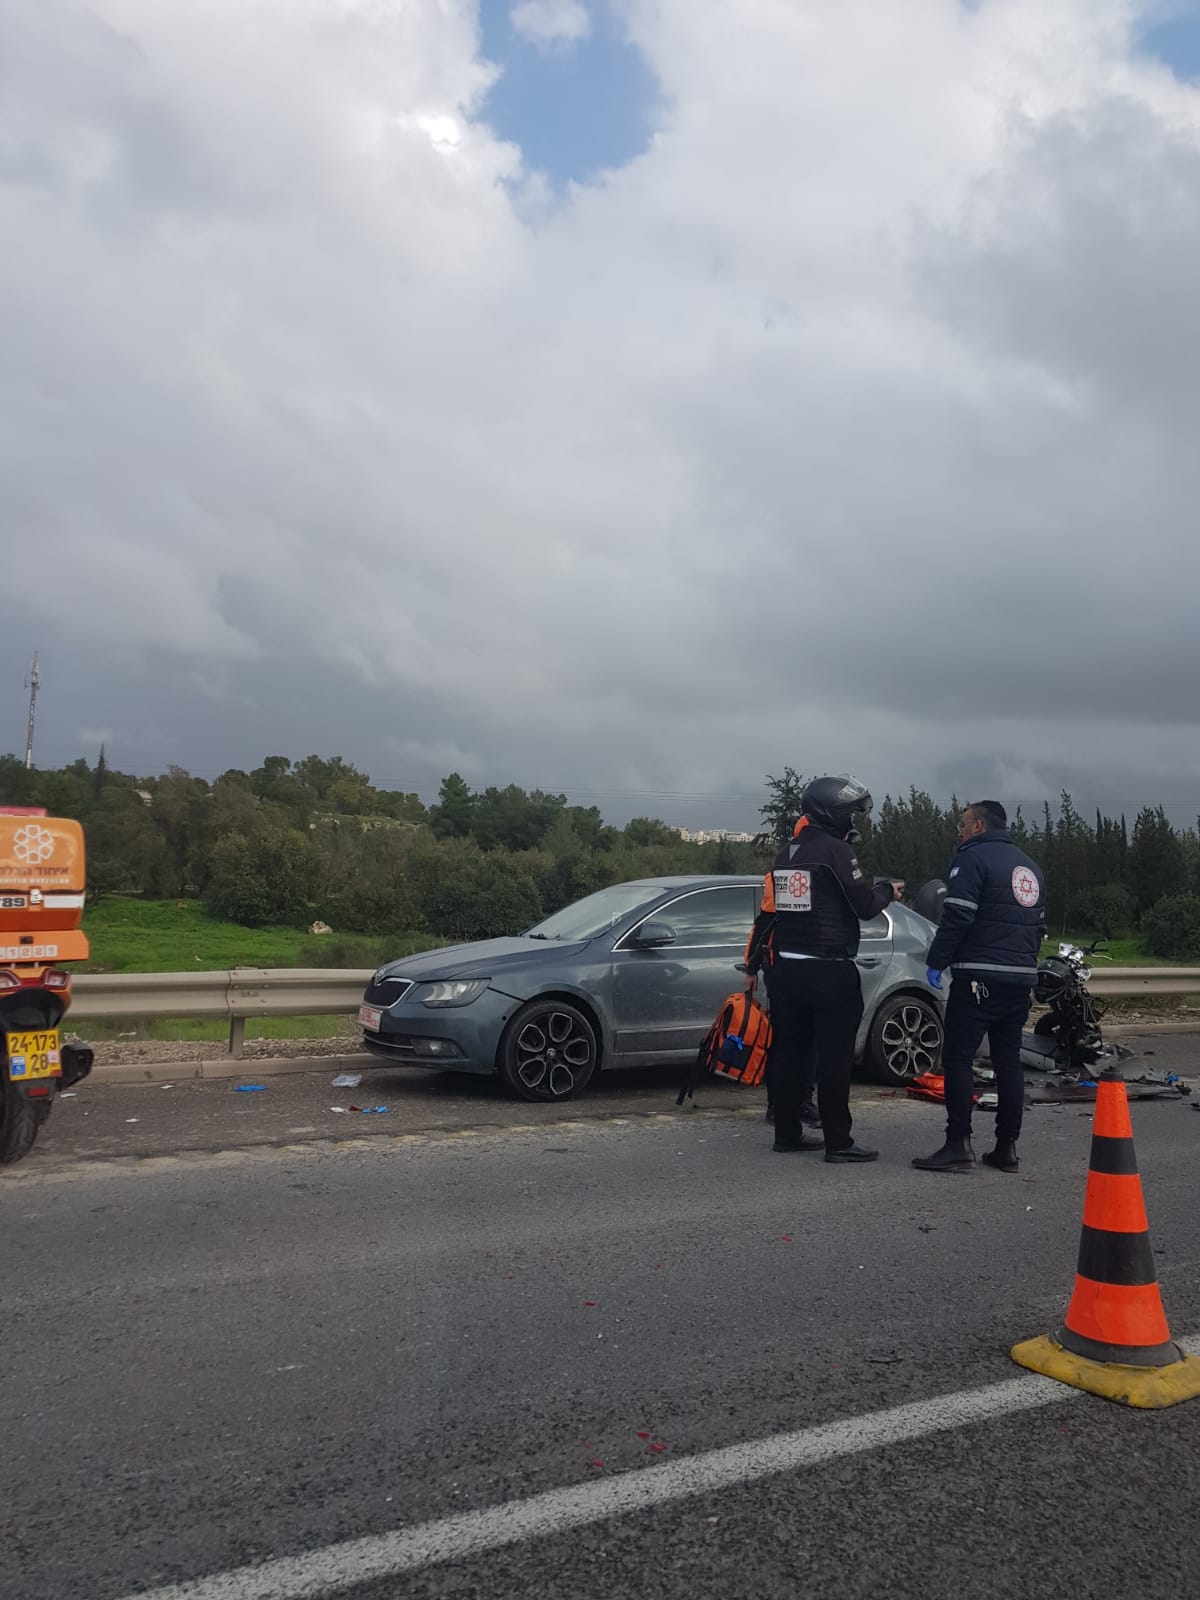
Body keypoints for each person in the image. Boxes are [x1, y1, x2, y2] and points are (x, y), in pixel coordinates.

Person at [745, 774, 903, 1163]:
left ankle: (787, 1133)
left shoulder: (788, 852)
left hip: (787, 969)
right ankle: (839, 1142)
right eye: (851, 814)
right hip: (828, 970)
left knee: (789, 1054)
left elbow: (778, 914)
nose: (854, 822)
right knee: (834, 1058)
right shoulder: (836, 851)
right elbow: (864, 906)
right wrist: (889, 891)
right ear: (833, 813)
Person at [913, 800, 1045, 1174]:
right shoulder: (1029, 867)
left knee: (957, 1059)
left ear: (978, 826)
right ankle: (1007, 1149)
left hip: (977, 979)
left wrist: (937, 961)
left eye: (963, 822)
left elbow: (957, 915)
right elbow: (1038, 927)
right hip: (1019, 981)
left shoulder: (972, 859)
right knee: (1008, 1063)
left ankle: (958, 1144)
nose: (959, 829)